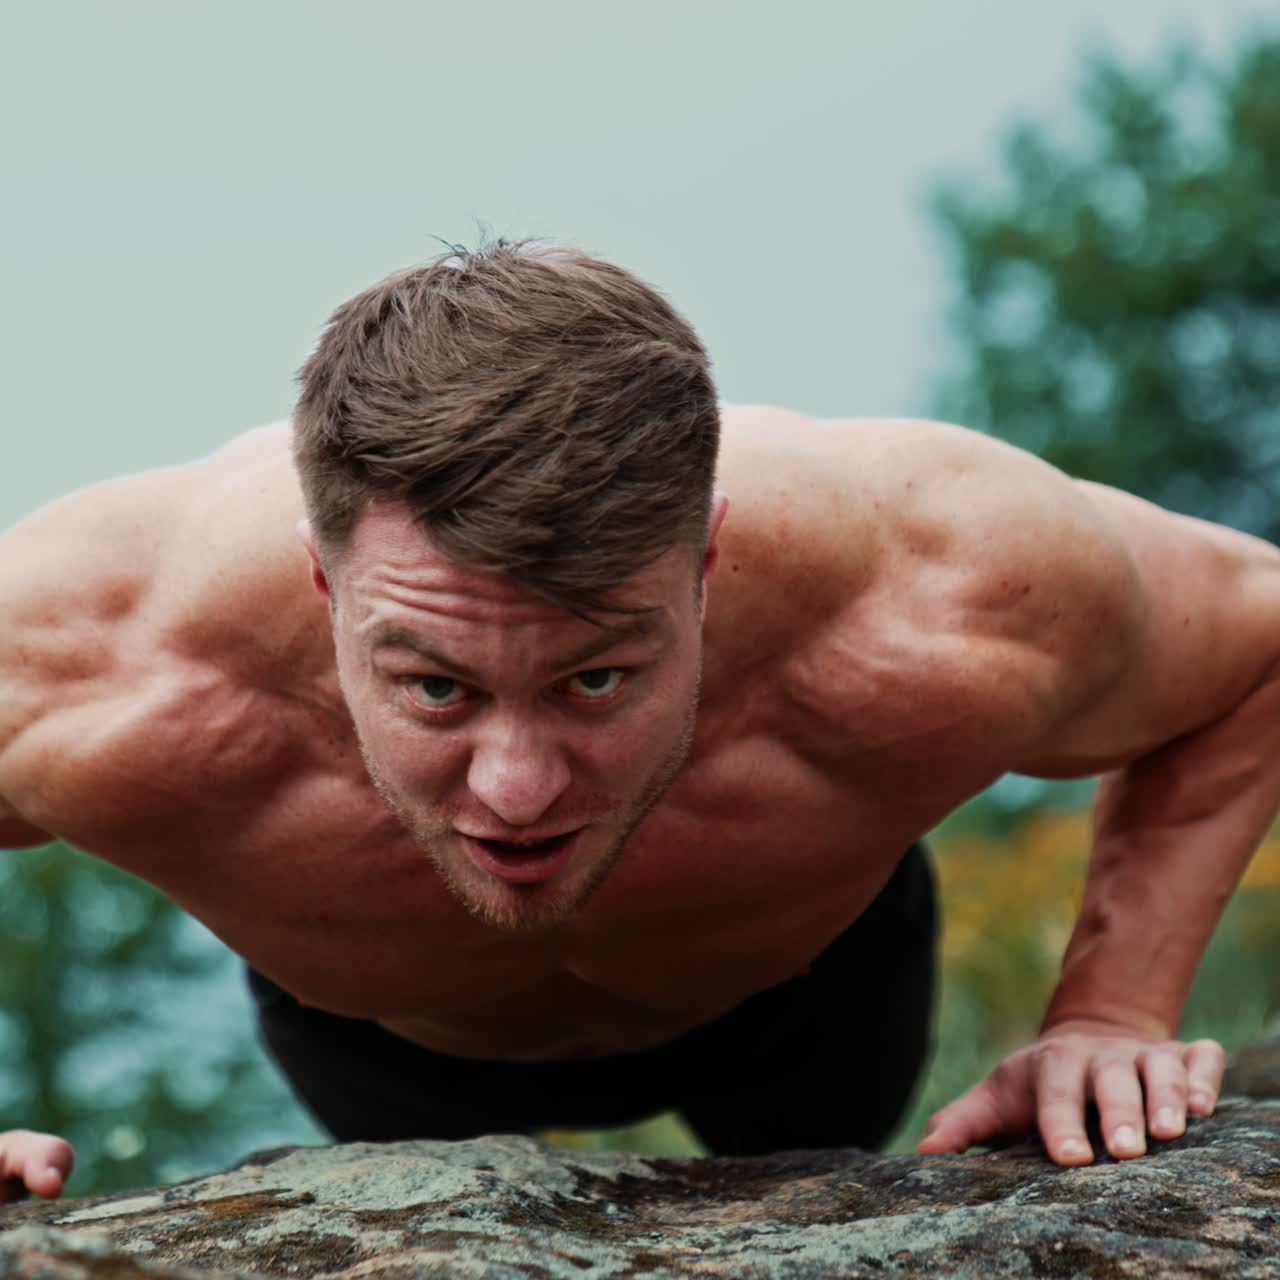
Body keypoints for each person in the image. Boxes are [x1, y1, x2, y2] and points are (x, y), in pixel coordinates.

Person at [1, 242, 1276, 1203]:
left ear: (705, 560)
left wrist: (1106, 1015)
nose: (515, 787)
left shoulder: (937, 586)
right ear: (324, 577)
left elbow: (1254, 641)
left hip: (809, 1000)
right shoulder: (102, 652)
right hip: (377, 1039)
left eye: (593, 679)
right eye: (435, 685)